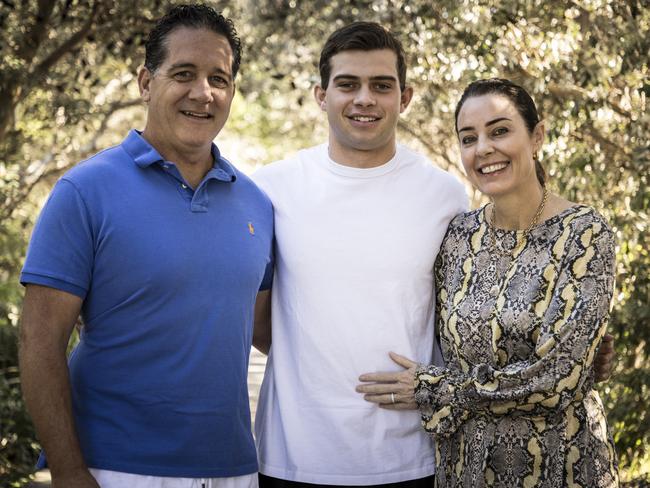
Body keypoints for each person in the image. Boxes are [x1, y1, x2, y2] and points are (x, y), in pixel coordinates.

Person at [250, 23, 614, 488]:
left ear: (405, 97)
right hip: (295, 457)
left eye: (382, 85)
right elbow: (258, 322)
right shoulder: (272, 188)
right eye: (348, 84)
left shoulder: (444, 197)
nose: (365, 98)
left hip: (418, 458)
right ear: (322, 95)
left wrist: (584, 358)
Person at [18, 5, 273, 488]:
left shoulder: (257, 204)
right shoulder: (84, 191)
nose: (203, 93)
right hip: (113, 468)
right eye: (184, 74)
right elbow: (39, 343)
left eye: (219, 78)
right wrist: (69, 471)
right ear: (145, 82)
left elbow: (269, 331)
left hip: (234, 469)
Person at [357, 78, 619, 487]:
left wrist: (431, 388)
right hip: (464, 468)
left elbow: (554, 380)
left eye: (499, 131)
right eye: (469, 138)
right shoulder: (458, 236)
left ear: (537, 137)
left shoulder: (585, 234)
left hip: (559, 465)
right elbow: (430, 334)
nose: (483, 149)